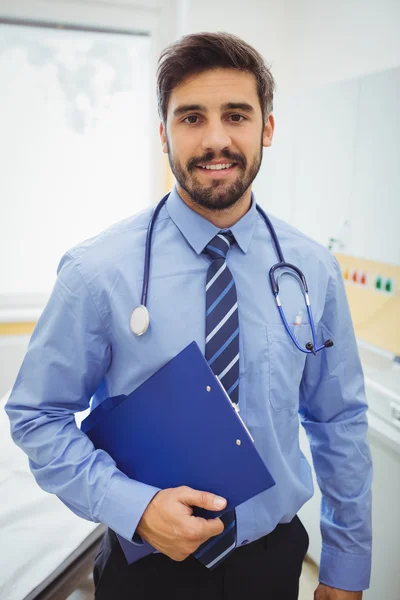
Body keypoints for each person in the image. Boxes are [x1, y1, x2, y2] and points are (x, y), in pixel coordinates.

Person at [5, 32, 372, 600]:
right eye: (192, 118)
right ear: (164, 134)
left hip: (271, 565)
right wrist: (137, 507)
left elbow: (339, 421)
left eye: (237, 115)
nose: (216, 139)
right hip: (145, 569)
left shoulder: (312, 271)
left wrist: (345, 568)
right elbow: (37, 417)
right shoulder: (97, 272)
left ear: (267, 128)